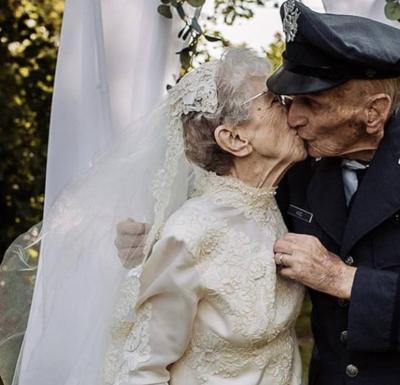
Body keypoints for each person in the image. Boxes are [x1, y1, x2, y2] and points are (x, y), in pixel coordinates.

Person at [117, 2, 400, 384]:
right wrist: (156, 234)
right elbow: (230, 208)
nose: (292, 117)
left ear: (373, 112)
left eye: (310, 104)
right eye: (288, 101)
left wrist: (340, 277)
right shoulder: (301, 161)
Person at [14, 48, 306, 385]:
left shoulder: (273, 202)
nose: (292, 108)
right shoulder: (191, 233)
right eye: (274, 101)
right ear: (235, 138)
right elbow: (141, 368)